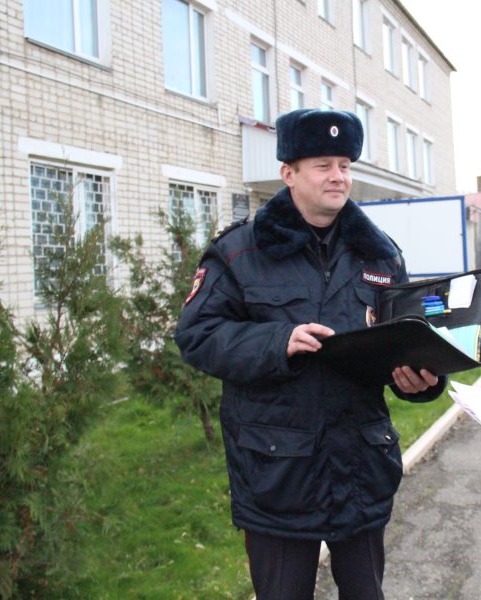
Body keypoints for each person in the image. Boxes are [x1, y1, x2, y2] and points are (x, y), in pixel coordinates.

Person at [175, 108, 445, 600]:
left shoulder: (381, 254)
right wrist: (275, 341)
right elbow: (197, 334)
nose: (338, 176)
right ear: (288, 173)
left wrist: (423, 378)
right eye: (323, 164)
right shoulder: (239, 252)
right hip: (278, 474)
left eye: (344, 164)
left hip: (360, 469)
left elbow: (404, 339)